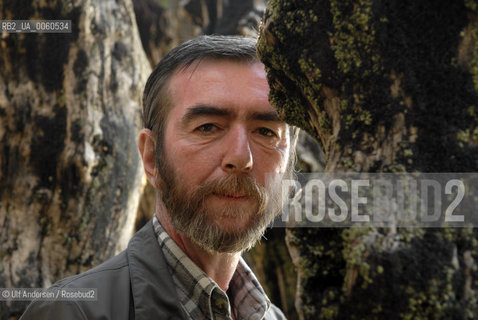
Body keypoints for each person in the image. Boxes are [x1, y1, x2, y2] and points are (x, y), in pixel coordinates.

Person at [21, 35, 297, 320]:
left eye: (266, 131)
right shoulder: (70, 312)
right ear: (152, 158)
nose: (241, 158)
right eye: (207, 127)